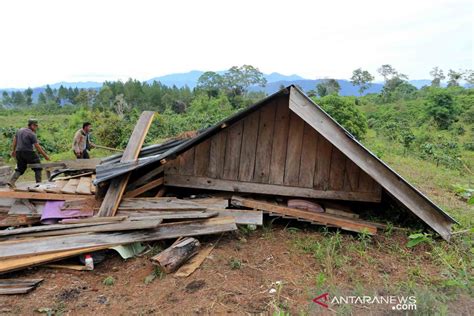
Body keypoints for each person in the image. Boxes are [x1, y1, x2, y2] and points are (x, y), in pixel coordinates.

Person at [9, 119, 50, 186]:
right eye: (35, 126)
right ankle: (38, 184)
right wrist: (45, 156)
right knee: (38, 166)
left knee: (20, 168)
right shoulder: (32, 134)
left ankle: (11, 181)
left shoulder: (20, 130)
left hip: (18, 152)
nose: (36, 127)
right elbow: (37, 146)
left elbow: (14, 141)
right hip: (28, 152)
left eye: (37, 126)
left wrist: (13, 151)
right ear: (31, 125)